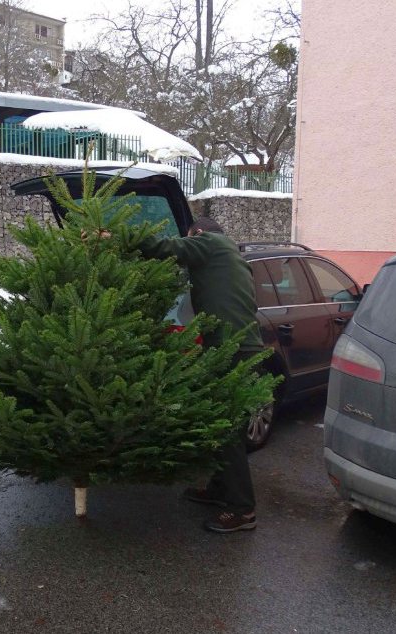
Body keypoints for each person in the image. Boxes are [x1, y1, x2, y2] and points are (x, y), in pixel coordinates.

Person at [139, 216, 265, 533]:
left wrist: (121, 237)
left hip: (230, 349)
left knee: (227, 428)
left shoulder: (209, 242)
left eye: (190, 238)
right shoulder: (234, 255)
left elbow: (168, 247)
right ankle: (220, 489)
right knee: (220, 422)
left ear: (197, 233)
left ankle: (242, 510)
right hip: (243, 345)